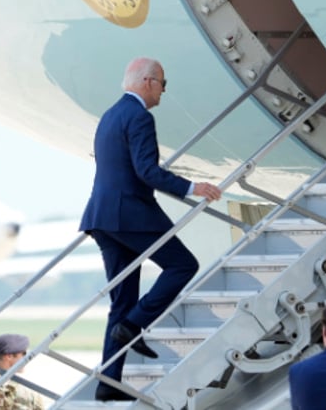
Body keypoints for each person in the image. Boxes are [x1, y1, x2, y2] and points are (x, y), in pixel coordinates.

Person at [79, 56, 222, 402]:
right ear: (148, 82)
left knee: (121, 299)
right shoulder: (140, 116)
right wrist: (192, 188)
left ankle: (107, 382)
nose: (162, 92)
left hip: (102, 218)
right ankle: (135, 324)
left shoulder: (109, 116)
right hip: (130, 215)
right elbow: (147, 171)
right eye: (163, 84)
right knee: (183, 265)